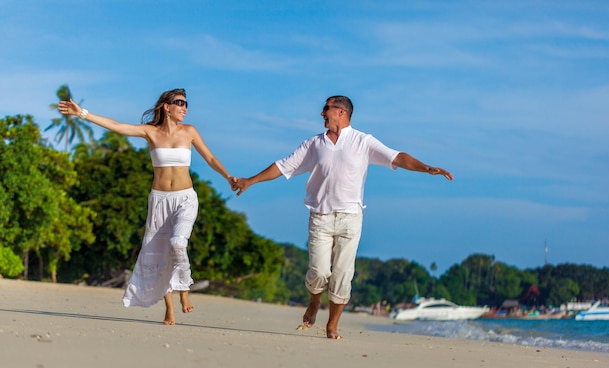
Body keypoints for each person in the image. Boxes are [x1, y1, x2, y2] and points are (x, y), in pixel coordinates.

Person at [232, 95, 454, 339]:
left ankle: (332, 325)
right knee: (317, 271)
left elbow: (397, 156)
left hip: (350, 218)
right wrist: (250, 181)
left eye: (325, 109)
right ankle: (314, 302)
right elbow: (282, 166)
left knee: (343, 275)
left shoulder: (363, 141)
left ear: (341, 112)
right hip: (320, 216)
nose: (322, 114)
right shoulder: (314, 144)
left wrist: (427, 168)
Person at [58, 88, 237, 325]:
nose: (184, 107)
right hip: (160, 200)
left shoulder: (189, 132)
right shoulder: (150, 133)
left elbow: (211, 159)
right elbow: (116, 126)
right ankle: (169, 307)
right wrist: (82, 113)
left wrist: (229, 177)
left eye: (186, 104)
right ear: (167, 106)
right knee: (159, 254)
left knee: (177, 242)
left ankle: (184, 291)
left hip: (185, 198)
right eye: (180, 103)